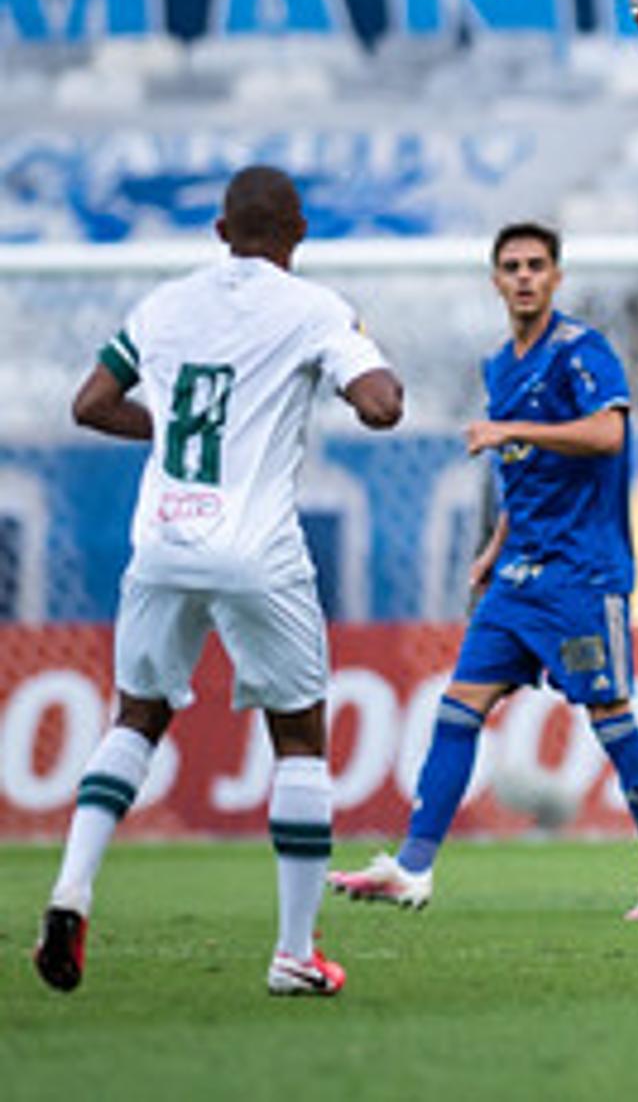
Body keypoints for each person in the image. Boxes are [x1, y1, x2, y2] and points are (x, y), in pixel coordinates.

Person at [34, 166, 405, 997]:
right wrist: (366, 355)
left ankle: (72, 889)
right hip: (255, 548)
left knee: (136, 717)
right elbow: (381, 406)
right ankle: (294, 954)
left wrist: (171, 432)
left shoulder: (165, 305)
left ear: (218, 230)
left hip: (162, 538)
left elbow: (90, 403)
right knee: (300, 738)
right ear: (299, 232)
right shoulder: (314, 309)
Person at [328, 222, 638, 921]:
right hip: (519, 575)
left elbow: (608, 435)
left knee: (611, 720)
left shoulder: (581, 351)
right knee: (458, 708)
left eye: (535, 265)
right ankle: (413, 867)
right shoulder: (499, 365)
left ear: (556, 276)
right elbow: (524, 474)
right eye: (511, 267)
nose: (524, 276)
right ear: (495, 281)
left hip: (583, 576)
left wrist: (511, 431)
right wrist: (497, 545)